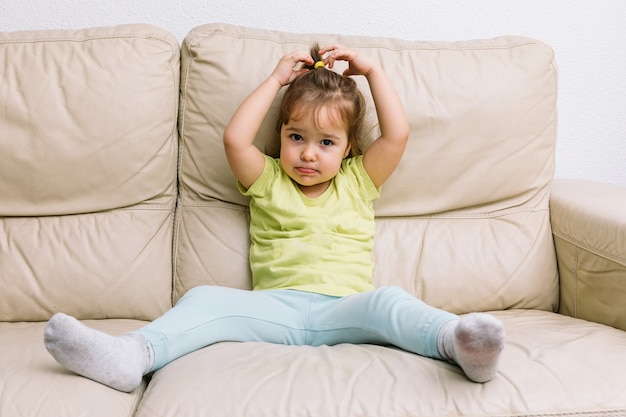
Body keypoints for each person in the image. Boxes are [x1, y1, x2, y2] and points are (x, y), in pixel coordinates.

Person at [44, 43, 505, 393]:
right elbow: (235, 140)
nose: (307, 153)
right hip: (273, 311)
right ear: (281, 135)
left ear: (348, 149)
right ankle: (132, 354)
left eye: (326, 142)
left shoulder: (358, 181)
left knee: (390, 301)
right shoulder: (267, 180)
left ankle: (459, 343)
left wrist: (373, 72)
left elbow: (398, 135)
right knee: (205, 298)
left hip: (346, 309)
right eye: (296, 136)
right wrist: (275, 81)